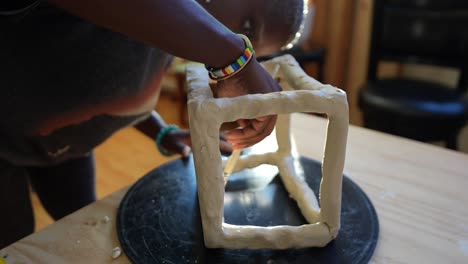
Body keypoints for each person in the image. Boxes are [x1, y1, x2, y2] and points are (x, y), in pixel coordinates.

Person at [0, 0, 310, 248]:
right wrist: (234, 58)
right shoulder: (177, 25)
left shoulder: (173, 36)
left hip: (66, 151)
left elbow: (113, 93)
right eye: (246, 26)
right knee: (14, 241)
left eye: (253, 49)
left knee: (81, 222)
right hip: (5, 147)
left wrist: (163, 132)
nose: (234, 35)